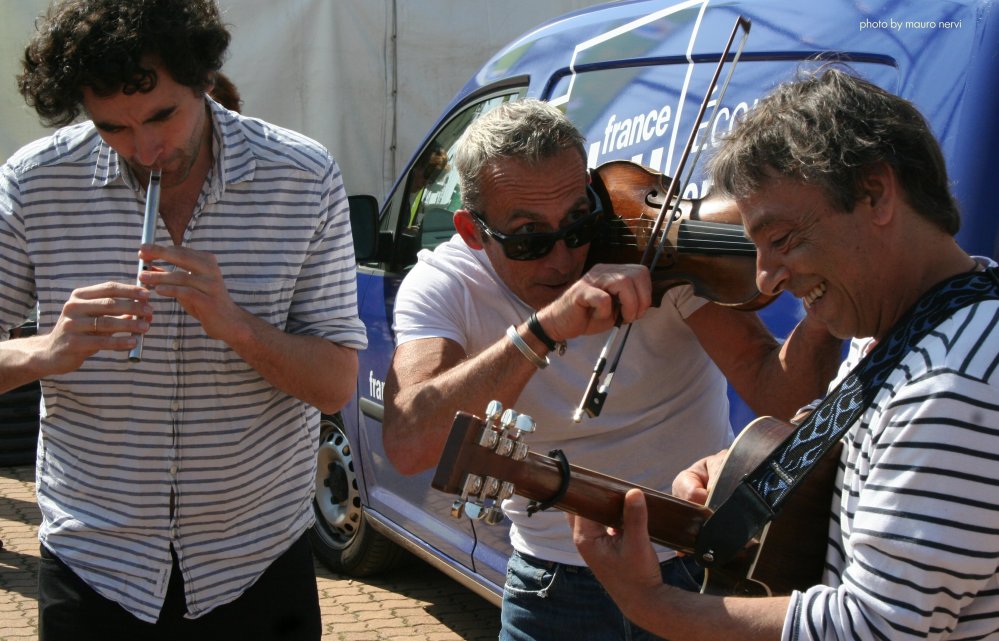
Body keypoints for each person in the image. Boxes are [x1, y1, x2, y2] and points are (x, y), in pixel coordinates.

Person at [382, 99, 844, 641]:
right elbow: (411, 442)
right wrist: (542, 331)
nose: (563, 259)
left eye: (580, 222)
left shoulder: (657, 252)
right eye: (530, 237)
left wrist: (825, 291)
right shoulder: (446, 285)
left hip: (696, 561)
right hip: (551, 583)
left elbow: (781, 395)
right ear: (472, 230)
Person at [569, 68, 999, 641]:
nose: (766, 279)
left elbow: (879, 629)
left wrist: (652, 605)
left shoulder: (950, 386)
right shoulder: (920, 322)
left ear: (874, 192)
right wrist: (749, 465)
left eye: (781, 238)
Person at [0, 0, 366, 639]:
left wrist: (238, 326)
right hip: (96, 565)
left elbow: (336, 383)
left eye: (163, 115)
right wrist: (47, 351)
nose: (144, 149)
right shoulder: (36, 184)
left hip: (255, 561)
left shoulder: (302, 178)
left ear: (203, 78)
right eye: (112, 126)